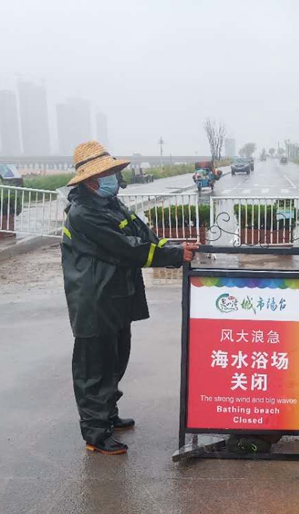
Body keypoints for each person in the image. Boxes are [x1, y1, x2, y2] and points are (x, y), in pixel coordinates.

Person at [61, 140, 197, 455]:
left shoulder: (111, 204)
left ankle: (107, 414)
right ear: (91, 180)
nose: (115, 178)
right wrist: (175, 254)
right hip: (94, 300)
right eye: (109, 173)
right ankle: (96, 434)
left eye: (114, 172)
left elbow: (144, 235)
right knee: (94, 367)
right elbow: (126, 248)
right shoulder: (83, 213)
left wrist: (175, 246)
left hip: (116, 296)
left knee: (116, 360)